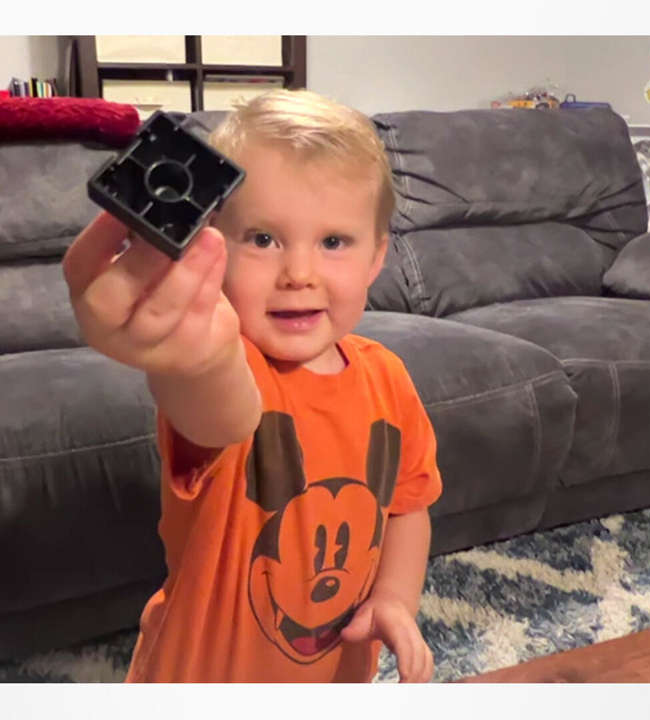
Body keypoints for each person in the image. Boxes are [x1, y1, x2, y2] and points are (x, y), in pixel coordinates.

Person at [62, 89, 442, 682]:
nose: (299, 274)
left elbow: (407, 508)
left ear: (376, 256)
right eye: (263, 239)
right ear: (212, 244)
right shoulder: (230, 364)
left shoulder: (388, 378)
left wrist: (394, 598)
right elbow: (221, 409)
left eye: (333, 242)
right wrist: (193, 359)